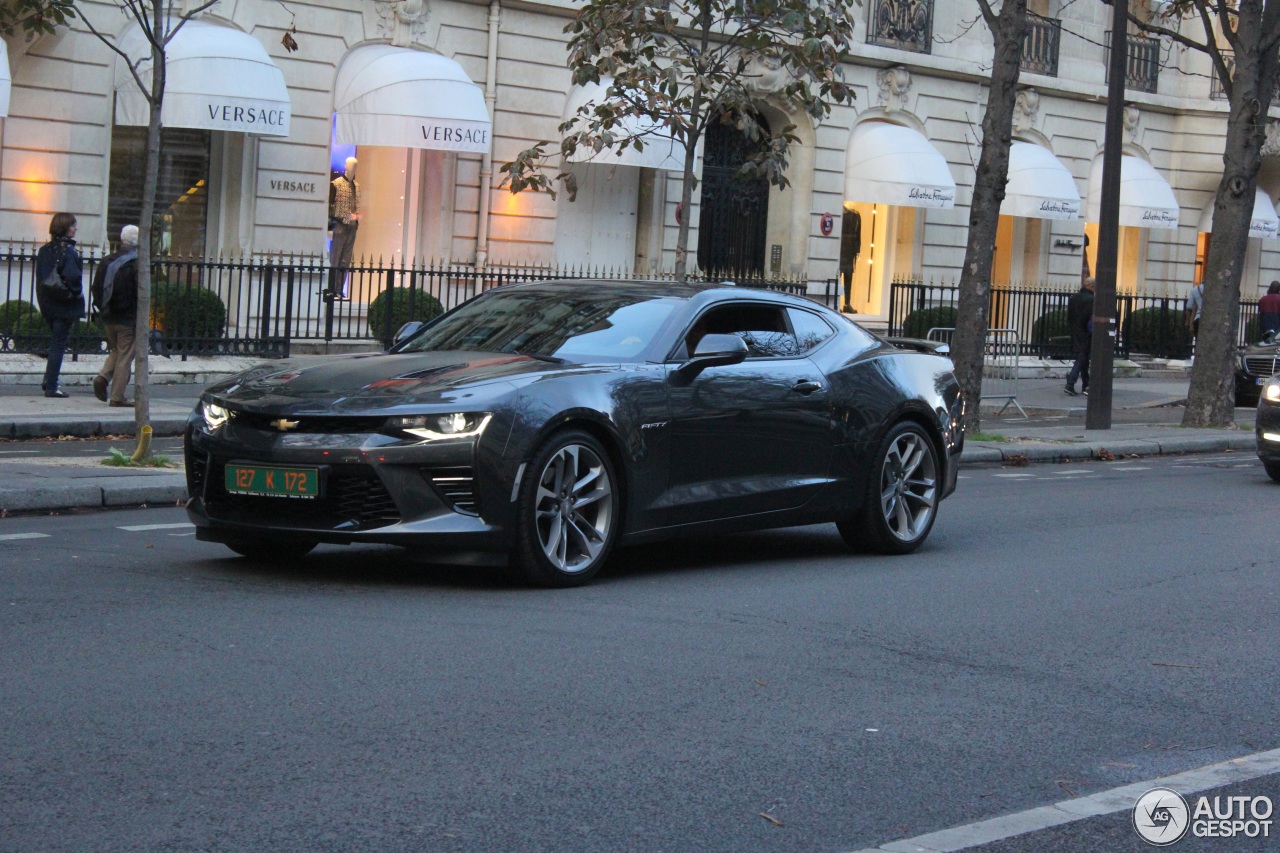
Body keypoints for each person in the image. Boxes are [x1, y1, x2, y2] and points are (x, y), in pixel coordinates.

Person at [34, 212, 84, 398]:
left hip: (48, 304)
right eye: (72, 225)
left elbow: (41, 278)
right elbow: (73, 278)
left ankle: (49, 380)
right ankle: (52, 385)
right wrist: (75, 294)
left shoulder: (45, 250)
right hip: (64, 305)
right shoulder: (68, 251)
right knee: (58, 345)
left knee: (55, 343)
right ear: (64, 227)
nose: (75, 228)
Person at [90, 225, 139, 407]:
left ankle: (103, 377)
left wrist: (102, 309)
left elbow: (96, 287)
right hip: (127, 318)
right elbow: (140, 293)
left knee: (117, 350)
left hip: (108, 316)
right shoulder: (136, 263)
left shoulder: (106, 261)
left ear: (120, 241)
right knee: (126, 355)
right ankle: (117, 396)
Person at [327, 156, 360, 298]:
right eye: (351, 165)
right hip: (339, 224)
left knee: (345, 260)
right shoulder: (336, 184)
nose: (353, 168)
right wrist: (329, 226)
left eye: (355, 165)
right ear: (346, 166)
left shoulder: (357, 186)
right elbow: (329, 206)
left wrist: (356, 222)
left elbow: (356, 207)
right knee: (335, 258)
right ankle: (332, 288)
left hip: (351, 226)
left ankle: (340, 289)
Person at [1065, 276, 1095, 397]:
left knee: (1083, 358)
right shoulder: (1091, 299)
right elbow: (1089, 318)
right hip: (1085, 332)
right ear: (1091, 286)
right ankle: (1070, 383)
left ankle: (1086, 385)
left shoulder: (1074, 298)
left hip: (1075, 331)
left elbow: (1070, 317)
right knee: (1082, 357)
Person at [1186, 280, 1205, 358]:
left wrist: (1189, 322)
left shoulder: (1195, 290)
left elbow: (1189, 306)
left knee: (1199, 342)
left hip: (1198, 319)